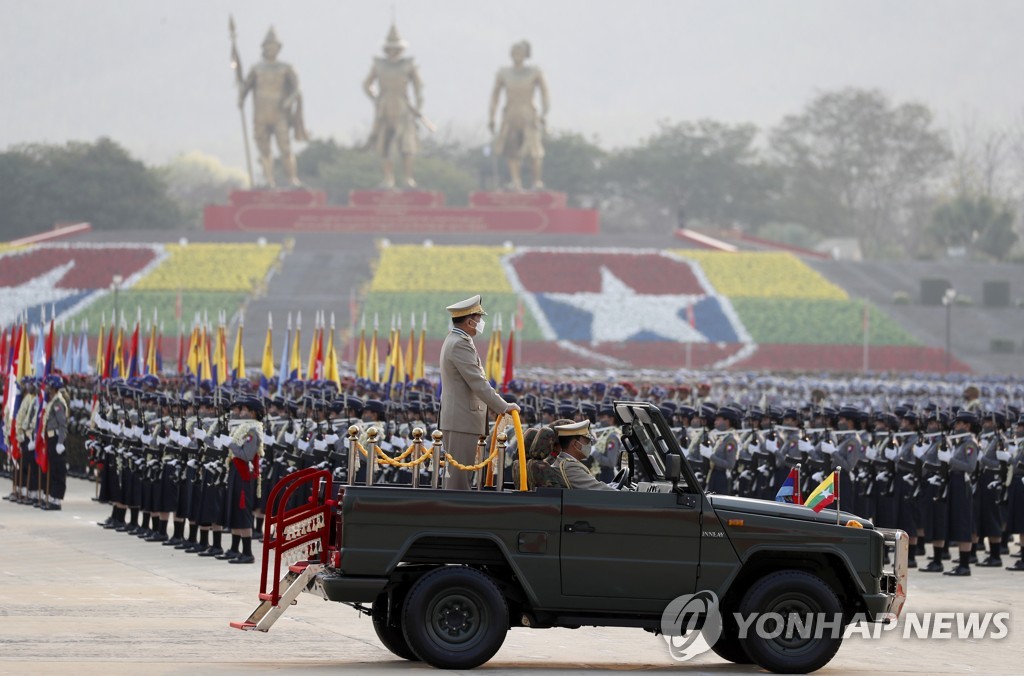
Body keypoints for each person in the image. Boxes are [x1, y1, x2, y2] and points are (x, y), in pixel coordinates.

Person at [439, 295, 518, 490]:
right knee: (458, 481)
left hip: (460, 418)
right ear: (469, 321)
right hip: (462, 419)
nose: (480, 323)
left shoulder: (455, 339)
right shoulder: (460, 343)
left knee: (457, 477)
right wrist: (504, 406)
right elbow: (478, 383)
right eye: (478, 318)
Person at [238, 27, 308, 188]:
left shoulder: (286, 68)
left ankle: (292, 179)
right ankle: (269, 180)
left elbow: (297, 88)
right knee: (264, 149)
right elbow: (246, 87)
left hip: (279, 113)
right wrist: (241, 96)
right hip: (261, 113)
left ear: (278, 48)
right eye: (268, 46)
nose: (271, 49)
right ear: (263, 48)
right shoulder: (256, 68)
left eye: (274, 46)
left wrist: (290, 100)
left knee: (285, 147)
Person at [363, 23, 424, 189]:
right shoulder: (378, 65)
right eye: (391, 48)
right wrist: (376, 99)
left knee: (407, 145)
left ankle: (408, 178)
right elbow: (366, 84)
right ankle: (388, 179)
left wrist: (419, 106)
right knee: (384, 144)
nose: (393, 51)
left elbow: (419, 87)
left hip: (404, 107)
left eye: (396, 48)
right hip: (384, 108)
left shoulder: (408, 65)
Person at [488, 40, 549, 191]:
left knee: (534, 152)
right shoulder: (504, 73)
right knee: (512, 151)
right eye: (514, 52)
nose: (517, 56)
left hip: (529, 113)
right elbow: (495, 95)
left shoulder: (534, 72)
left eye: (520, 53)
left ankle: (537, 182)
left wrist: (544, 112)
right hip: (511, 114)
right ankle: (516, 183)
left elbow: (545, 93)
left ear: (526, 54)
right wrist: (492, 116)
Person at [550, 420, 615, 490]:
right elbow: (600, 490)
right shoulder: (570, 466)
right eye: (587, 441)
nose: (589, 445)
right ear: (575, 444)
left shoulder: (565, 462)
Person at [41, 374, 70, 510]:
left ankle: (57, 500)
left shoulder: (58, 402)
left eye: (49, 385)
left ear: (54, 387)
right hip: (51, 439)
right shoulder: (53, 400)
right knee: (53, 469)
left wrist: (60, 442)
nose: (46, 388)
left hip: (57, 440)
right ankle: (53, 497)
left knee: (58, 470)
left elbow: (62, 424)